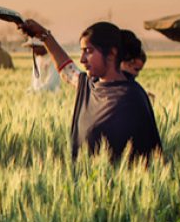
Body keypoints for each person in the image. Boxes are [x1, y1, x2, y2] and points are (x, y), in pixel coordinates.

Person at [18, 20, 162, 162]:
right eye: (82, 52)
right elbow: (66, 69)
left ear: (111, 53)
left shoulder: (132, 98)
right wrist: (44, 35)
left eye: (89, 51)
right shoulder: (88, 85)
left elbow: (147, 159)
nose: (82, 59)